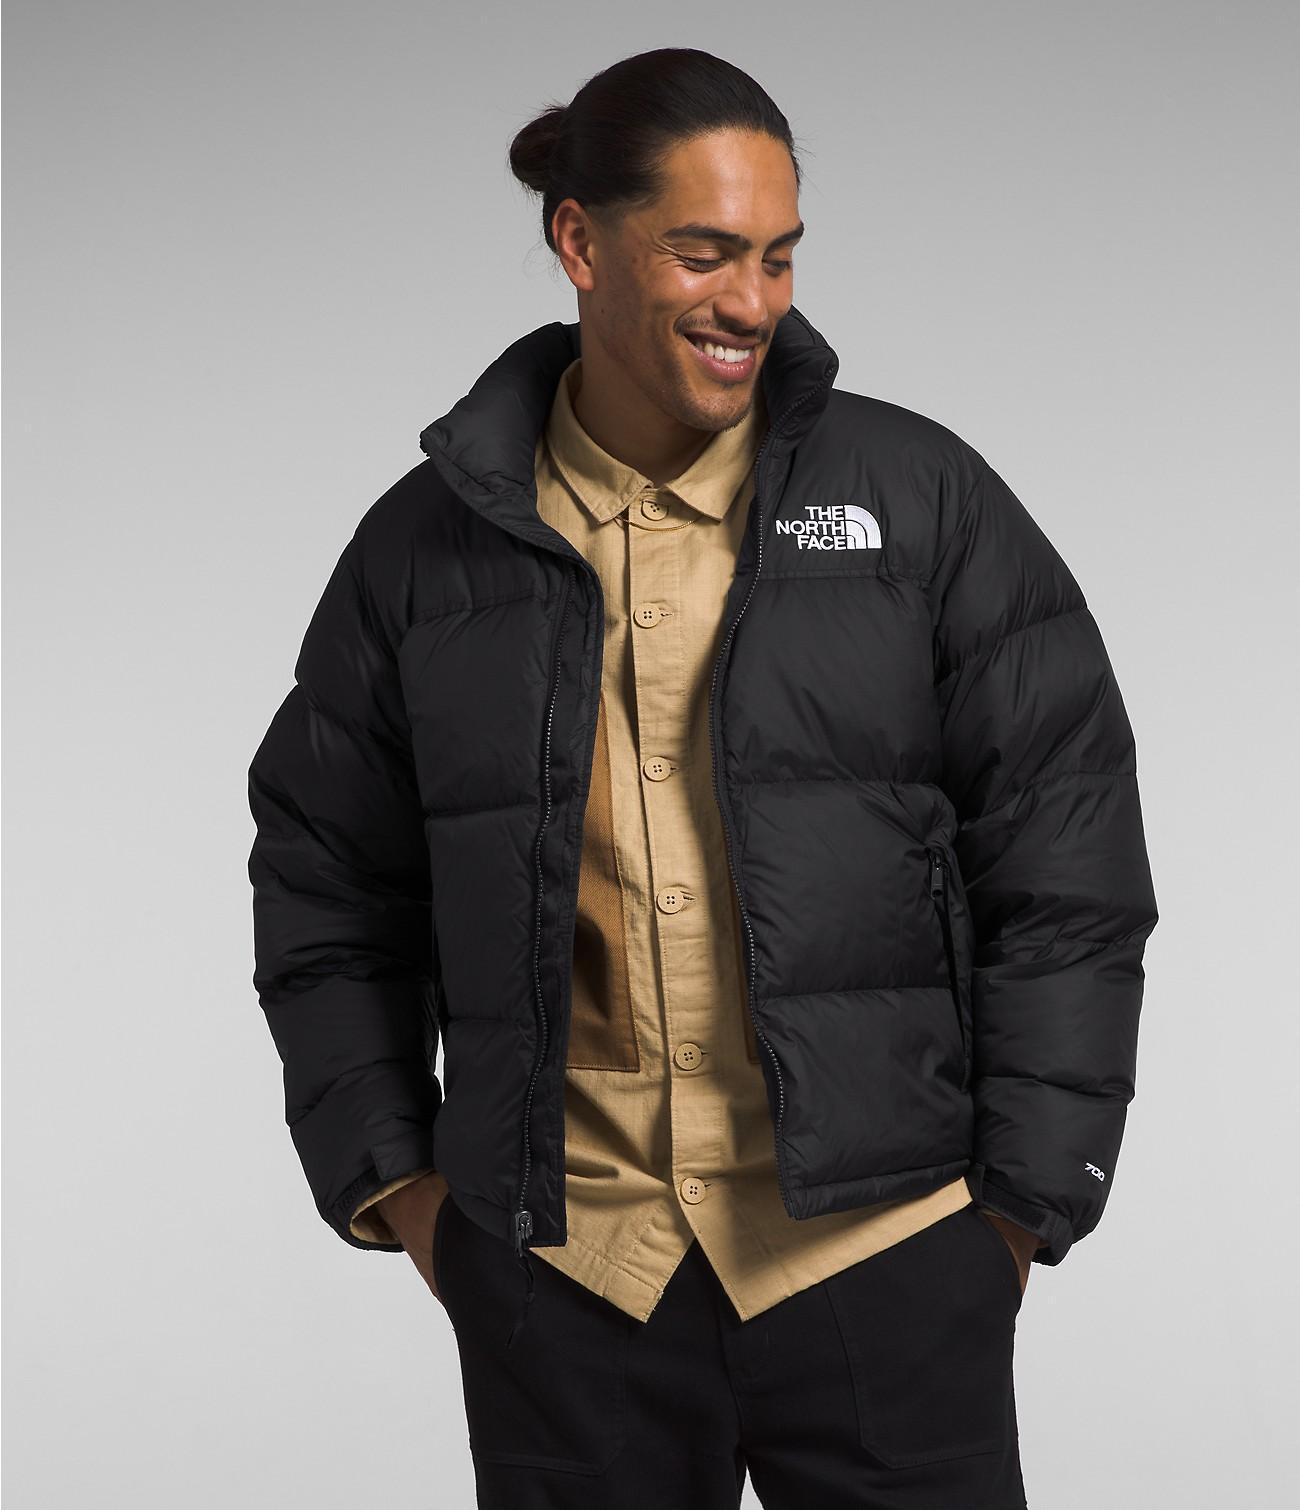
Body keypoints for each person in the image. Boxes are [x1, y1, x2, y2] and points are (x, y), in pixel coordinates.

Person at [247, 46, 1158, 1510]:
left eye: (779, 256)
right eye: (705, 252)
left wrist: (1009, 1218)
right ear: (580, 241)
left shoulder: (922, 502)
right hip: (570, 1284)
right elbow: (326, 881)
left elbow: (1069, 858)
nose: (753, 300)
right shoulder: (422, 551)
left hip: (883, 1258)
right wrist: (407, 1192)